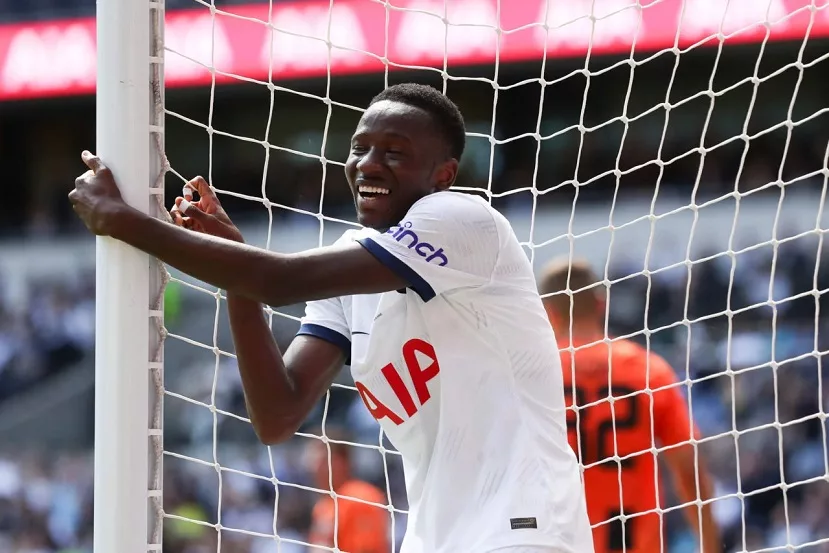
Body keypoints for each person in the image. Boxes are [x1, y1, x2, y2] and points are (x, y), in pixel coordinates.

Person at [69, 83, 593, 553]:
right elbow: (276, 415)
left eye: (394, 153)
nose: (367, 163)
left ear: (444, 175)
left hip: (524, 528)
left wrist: (121, 220)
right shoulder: (352, 266)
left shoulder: (464, 219)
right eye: (359, 147)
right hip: (436, 537)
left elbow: (279, 281)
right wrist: (235, 273)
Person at [537, 257, 722, 553]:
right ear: (601, 304)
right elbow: (690, 471)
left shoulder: (532, 376)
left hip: (558, 540)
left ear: (547, 313)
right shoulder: (648, 370)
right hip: (631, 540)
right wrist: (712, 546)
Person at [305, 427, 389, 553]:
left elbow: (368, 549)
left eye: (320, 460)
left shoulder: (361, 496)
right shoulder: (322, 505)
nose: (313, 467)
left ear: (340, 461)